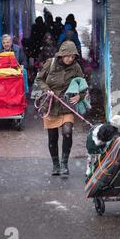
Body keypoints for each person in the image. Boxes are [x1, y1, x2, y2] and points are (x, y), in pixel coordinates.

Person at [35, 41, 86, 178]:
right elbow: (39, 79)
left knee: (67, 132)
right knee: (53, 137)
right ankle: (55, 164)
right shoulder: (50, 63)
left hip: (66, 104)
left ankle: (64, 163)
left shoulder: (76, 67)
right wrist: (47, 90)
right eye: (68, 56)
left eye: (73, 56)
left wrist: (80, 96)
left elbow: (83, 85)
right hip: (50, 105)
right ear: (62, 55)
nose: (70, 59)